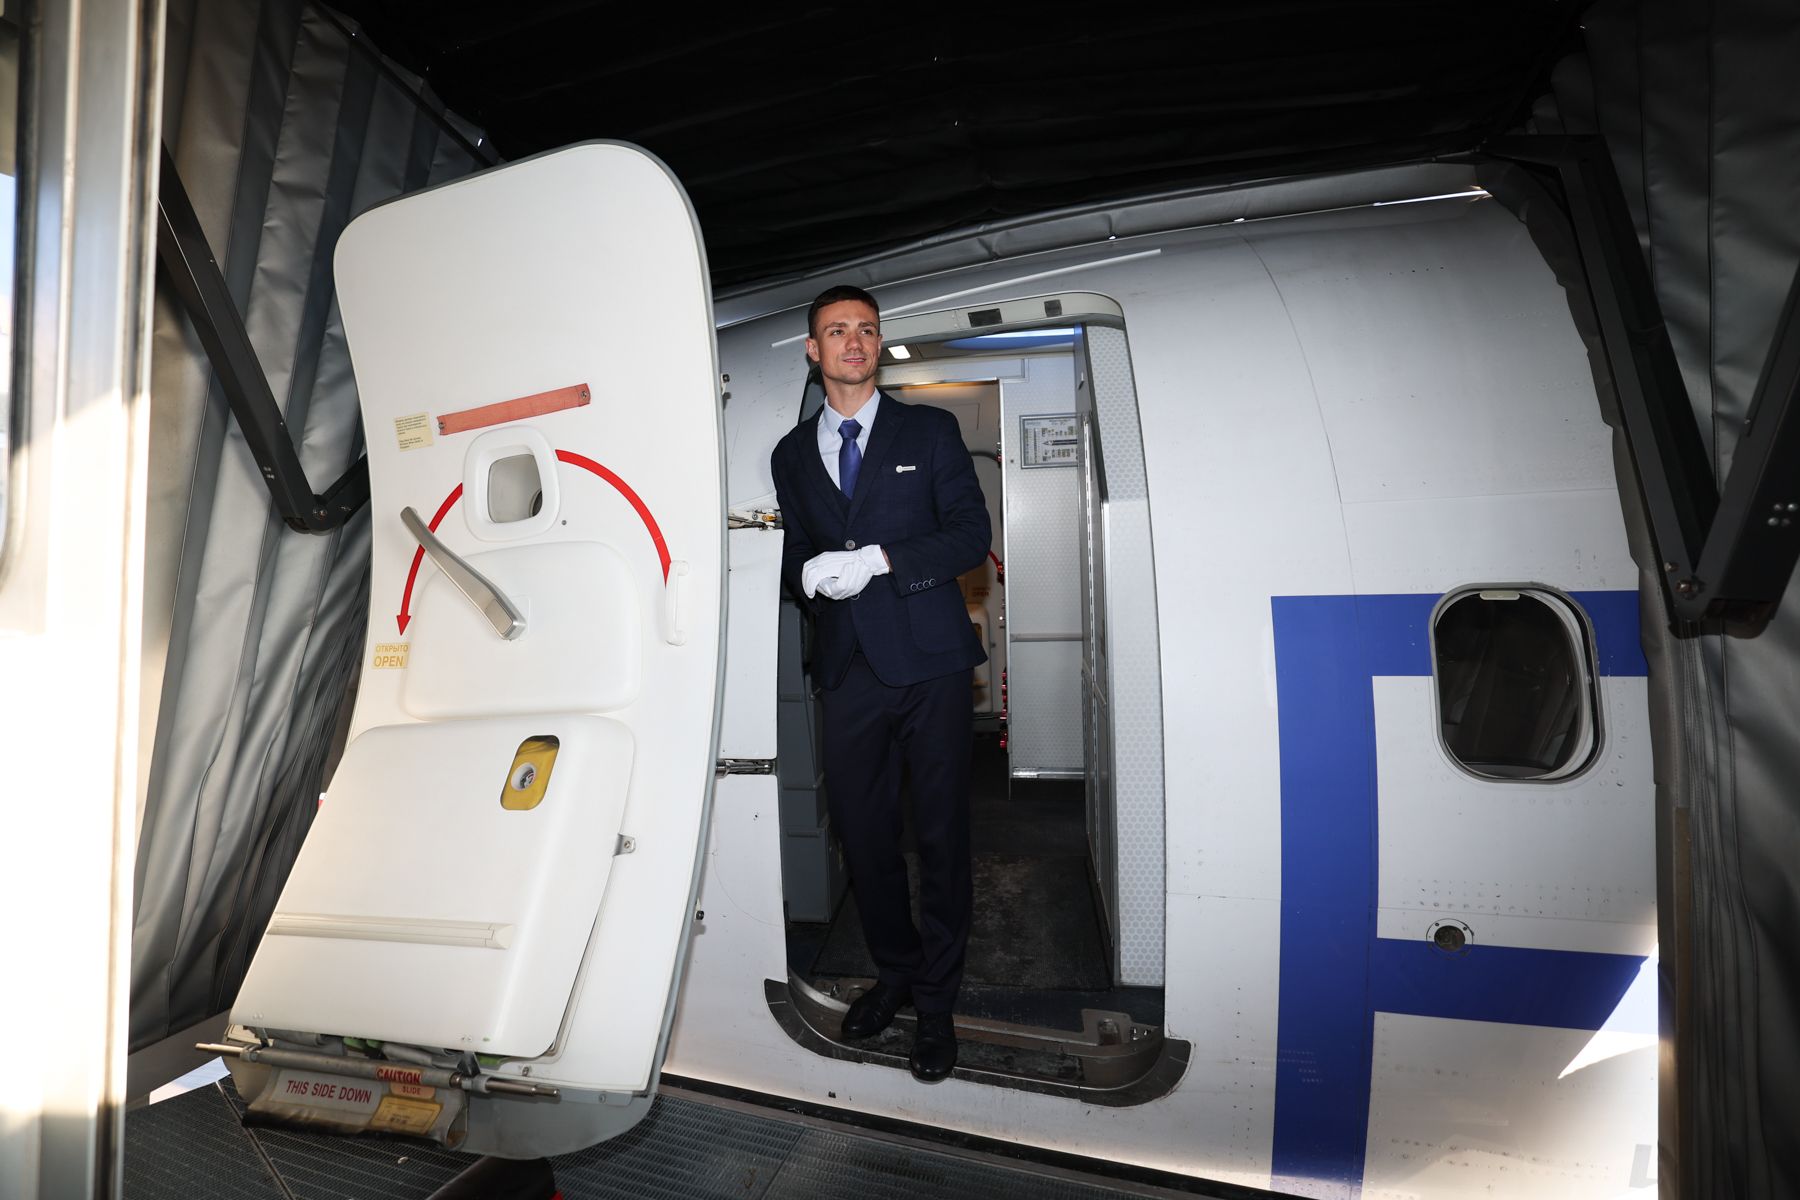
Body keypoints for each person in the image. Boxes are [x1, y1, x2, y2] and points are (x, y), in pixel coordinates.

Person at [768, 284, 991, 1083]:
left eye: (865, 329)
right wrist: (806, 577)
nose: (854, 341)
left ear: (878, 343)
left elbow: (969, 535)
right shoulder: (791, 454)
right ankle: (895, 972)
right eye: (837, 331)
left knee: (940, 837)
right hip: (847, 668)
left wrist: (881, 559)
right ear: (814, 351)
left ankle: (936, 1002)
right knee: (864, 839)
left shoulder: (927, 430)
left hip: (930, 666)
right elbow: (798, 553)